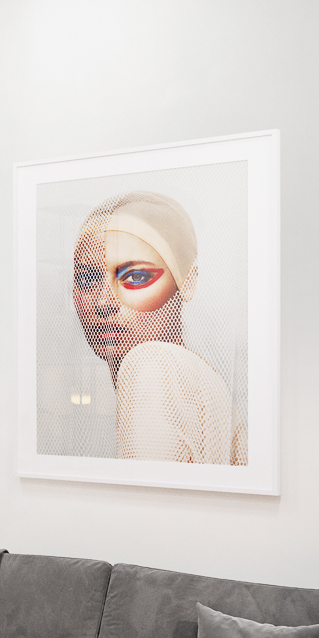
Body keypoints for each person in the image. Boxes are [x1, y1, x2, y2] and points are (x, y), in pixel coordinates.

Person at [70, 190, 239, 466]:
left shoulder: (152, 365)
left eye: (136, 277)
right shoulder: (191, 379)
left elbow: (146, 493)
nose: (103, 303)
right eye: (88, 279)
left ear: (187, 281)